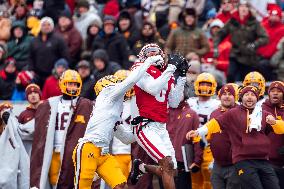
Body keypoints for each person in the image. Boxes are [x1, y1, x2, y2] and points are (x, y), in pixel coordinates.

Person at [72, 54, 162, 189]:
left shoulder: (113, 112)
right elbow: (130, 81)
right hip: (88, 148)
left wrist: (145, 126)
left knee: (121, 185)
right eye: (119, 83)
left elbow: (126, 138)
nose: (123, 87)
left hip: (103, 153)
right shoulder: (107, 94)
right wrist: (148, 62)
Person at [187, 86, 284, 189]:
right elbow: (215, 123)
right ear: (242, 97)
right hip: (243, 160)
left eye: (252, 95)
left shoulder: (264, 114)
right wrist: (198, 132)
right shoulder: (233, 113)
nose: (250, 97)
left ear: (257, 98)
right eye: (247, 95)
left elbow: (280, 129)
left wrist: (275, 123)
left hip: (263, 159)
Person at [129, 44, 188, 189]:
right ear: (143, 57)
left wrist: (181, 76)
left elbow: (174, 102)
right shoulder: (139, 68)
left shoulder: (166, 73)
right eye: (149, 53)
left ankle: (142, 167)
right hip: (144, 125)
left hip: (161, 126)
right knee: (167, 163)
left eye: (156, 52)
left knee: (172, 170)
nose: (153, 55)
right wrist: (171, 69)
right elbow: (152, 88)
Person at [30, 70, 93, 189]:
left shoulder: (84, 104)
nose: (73, 87)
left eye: (75, 84)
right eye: (70, 83)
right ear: (62, 83)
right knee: (54, 182)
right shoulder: (51, 103)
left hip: (73, 151)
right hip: (55, 150)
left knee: (72, 182)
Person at [213, 0, 268, 82]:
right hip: (235, 54)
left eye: (246, 7)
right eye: (242, 6)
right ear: (238, 8)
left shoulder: (254, 22)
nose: (244, 9)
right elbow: (219, 34)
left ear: (249, 9)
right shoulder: (232, 21)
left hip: (249, 56)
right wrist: (216, 47)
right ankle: (229, 92)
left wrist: (254, 44)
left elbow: (265, 37)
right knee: (230, 75)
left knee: (247, 79)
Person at [187, 72, 220, 189]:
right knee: (194, 177)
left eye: (208, 84)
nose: (205, 87)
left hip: (209, 145)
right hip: (191, 144)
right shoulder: (189, 102)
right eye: (202, 83)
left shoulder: (217, 104)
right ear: (196, 85)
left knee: (208, 175)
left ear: (214, 86)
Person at [166, 84, 203, 189]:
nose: (176, 95)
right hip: (164, 160)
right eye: (173, 93)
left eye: (179, 92)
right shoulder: (163, 112)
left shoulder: (192, 114)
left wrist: (197, 160)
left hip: (183, 161)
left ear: (185, 94)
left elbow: (196, 139)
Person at [206, 84, 240, 189]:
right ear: (219, 96)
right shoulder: (213, 114)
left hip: (235, 164)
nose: (226, 96)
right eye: (224, 94)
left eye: (230, 94)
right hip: (217, 164)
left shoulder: (241, 113)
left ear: (235, 97)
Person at [28, 17, 69, 87]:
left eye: (48, 25)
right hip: (37, 75)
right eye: (44, 25)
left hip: (53, 75)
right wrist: (31, 69)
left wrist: (61, 70)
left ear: (52, 26)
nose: (46, 27)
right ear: (40, 26)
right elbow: (30, 57)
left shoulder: (59, 39)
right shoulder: (34, 41)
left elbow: (65, 56)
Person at [263, 81, 284, 189]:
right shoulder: (261, 108)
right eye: (272, 91)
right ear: (268, 93)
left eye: (279, 91)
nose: (275, 93)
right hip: (265, 162)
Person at [257, 4, 284, 81]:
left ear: (280, 17)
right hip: (260, 55)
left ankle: (275, 83)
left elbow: (276, 47)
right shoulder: (263, 26)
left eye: (276, 16)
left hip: (274, 58)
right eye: (272, 15)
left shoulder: (282, 29)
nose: (274, 18)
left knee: (262, 65)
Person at [17, 84, 42, 156]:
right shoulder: (23, 114)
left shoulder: (47, 110)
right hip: (29, 152)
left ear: (39, 95)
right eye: (30, 93)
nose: (33, 95)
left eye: (35, 93)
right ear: (27, 97)